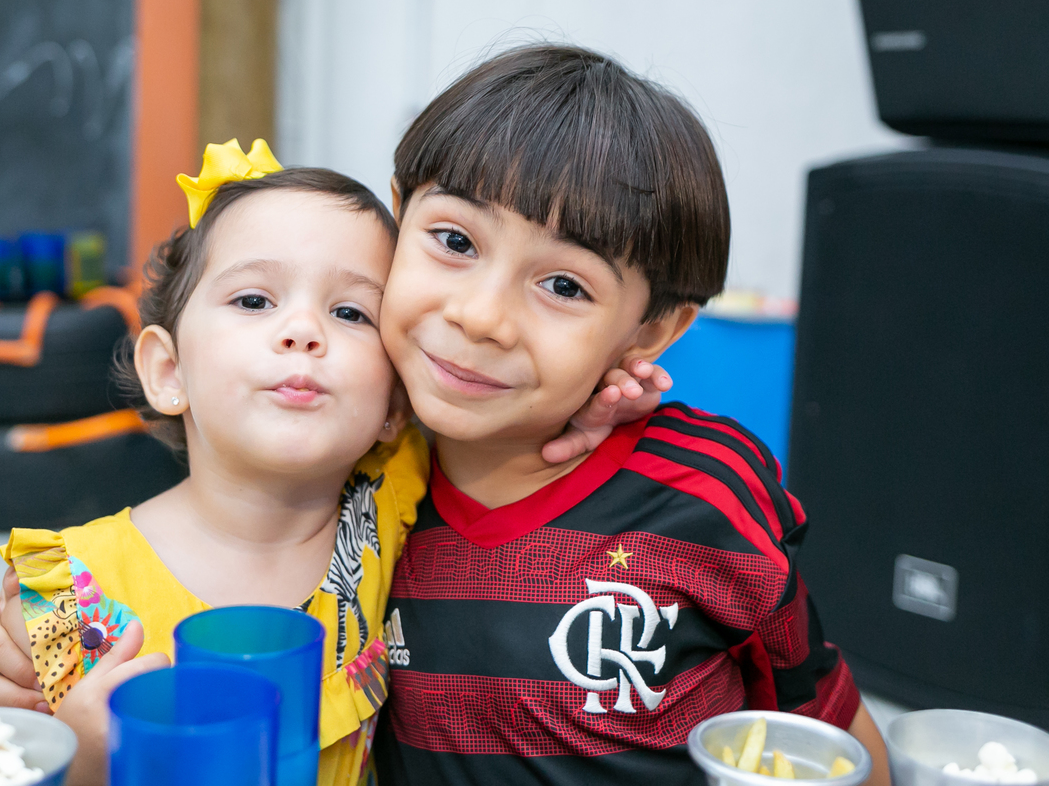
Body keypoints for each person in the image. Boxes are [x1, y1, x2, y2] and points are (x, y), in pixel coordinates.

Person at [0, 138, 668, 786]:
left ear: (393, 404)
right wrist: (77, 764)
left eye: (351, 314)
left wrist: (592, 397)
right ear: (168, 371)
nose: (304, 330)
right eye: (253, 300)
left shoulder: (391, 506)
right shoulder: (67, 592)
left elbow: (504, 424)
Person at [367, 45, 890, 785]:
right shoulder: (353, 463)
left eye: (563, 286)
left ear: (651, 331)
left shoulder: (708, 495)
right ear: (396, 215)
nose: (481, 317)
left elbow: (827, 737)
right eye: (455, 241)